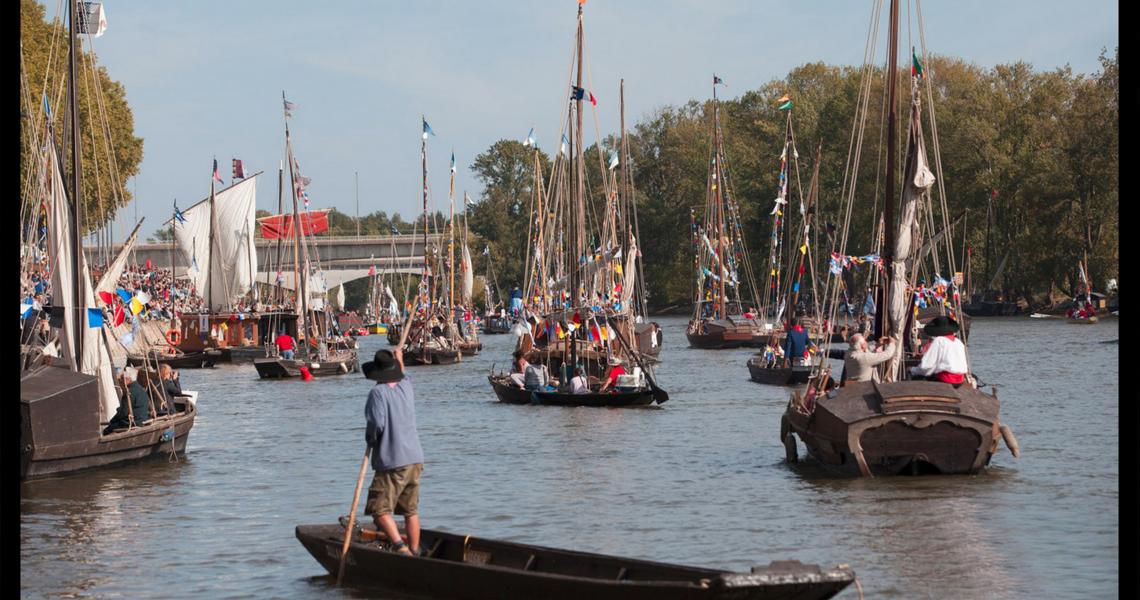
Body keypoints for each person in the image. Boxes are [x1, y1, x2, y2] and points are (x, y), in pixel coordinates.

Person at [361, 348, 425, 557]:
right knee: (410, 510)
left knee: (378, 510)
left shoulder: (378, 393)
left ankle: (402, 549)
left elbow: (376, 424)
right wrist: (399, 359)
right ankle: (415, 550)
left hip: (393, 460)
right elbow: (403, 374)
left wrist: (370, 439)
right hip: (415, 458)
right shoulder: (406, 386)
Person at [909, 316, 968, 386]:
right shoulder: (959, 342)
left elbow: (926, 366)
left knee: (917, 379)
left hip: (946, 379)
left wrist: (912, 369)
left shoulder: (939, 340)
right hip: (960, 380)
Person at [103, 367, 152, 434]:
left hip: (132, 423)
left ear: (128, 379)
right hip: (142, 420)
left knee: (105, 431)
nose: (121, 381)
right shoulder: (141, 389)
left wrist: (112, 421)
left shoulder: (129, 392)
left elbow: (124, 412)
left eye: (122, 379)